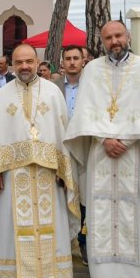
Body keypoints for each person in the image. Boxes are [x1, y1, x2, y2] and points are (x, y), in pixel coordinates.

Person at [66, 21, 140, 278]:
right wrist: (104, 138)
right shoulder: (92, 70)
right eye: (108, 37)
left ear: (129, 36)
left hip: (138, 156)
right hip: (101, 154)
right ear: (102, 41)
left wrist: (126, 138)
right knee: (103, 220)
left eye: (118, 36)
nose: (114, 42)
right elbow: (84, 113)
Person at [0, 43, 80, 278]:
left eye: (29, 62)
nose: (24, 66)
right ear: (11, 65)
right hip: (13, 176)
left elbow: (62, 133)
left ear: (37, 62)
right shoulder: (2, 95)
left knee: (51, 228)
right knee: (14, 228)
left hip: (48, 176)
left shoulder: (54, 93)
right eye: (19, 62)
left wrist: (62, 169)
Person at [57, 44, 87, 262]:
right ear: (63, 62)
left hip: (85, 150)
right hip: (61, 148)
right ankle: (62, 245)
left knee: (85, 199)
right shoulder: (53, 86)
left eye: (76, 58)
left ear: (83, 61)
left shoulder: (93, 85)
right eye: (68, 58)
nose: (72, 62)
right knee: (61, 196)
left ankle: (84, 243)